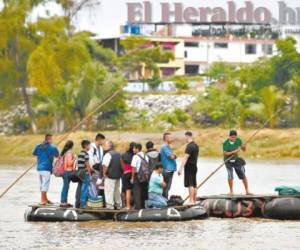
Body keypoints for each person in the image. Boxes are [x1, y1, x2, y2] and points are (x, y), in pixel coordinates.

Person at [33, 134, 59, 205]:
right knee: (45, 184)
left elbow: (34, 153)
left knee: (41, 184)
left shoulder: (38, 146)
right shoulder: (53, 147)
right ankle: (43, 200)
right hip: (46, 168)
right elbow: (57, 155)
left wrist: (41, 153)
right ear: (49, 139)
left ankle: (45, 199)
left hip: (39, 168)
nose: (52, 140)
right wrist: (54, 148)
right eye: (51, 139)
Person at [223, 130, 251, 195]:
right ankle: (231, 191)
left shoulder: (238, 140)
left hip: (236, 159)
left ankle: (247, 191)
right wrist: (234, 152)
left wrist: (244, 146)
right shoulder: (225, 143)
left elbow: (244, 150)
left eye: (234, 137)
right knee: (230, 175)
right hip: (228, 161)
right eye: (232, 137)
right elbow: (226, 153)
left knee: (242, 174)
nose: (233, 139)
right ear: (229, 137)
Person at [178, 131, 199, 205]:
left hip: (189, 167)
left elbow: (185, 158)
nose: (185, 138)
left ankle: (191, 200)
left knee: (190, 184)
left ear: (187, 136)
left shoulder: (189, 146)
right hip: (195, 166)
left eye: (185, 137)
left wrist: (180, 168)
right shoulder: (196, 145)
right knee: (194, 184)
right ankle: (194, 200)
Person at [103, 141, 123, 210]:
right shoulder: (118, 154)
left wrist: (104, 174)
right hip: (118, 176)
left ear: (109, 146)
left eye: (105, 145)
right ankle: (118, 205)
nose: (104, 147)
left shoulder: (108, 154)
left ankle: (110, 206)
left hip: (110, 176)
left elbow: (105, 165)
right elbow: (122, 165)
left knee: (109, 191)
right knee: (117, 191)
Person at [75, 140, 93, 209]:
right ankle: (83, 204)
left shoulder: (80, 153)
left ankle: (80, 203)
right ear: (86, 146)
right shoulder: (86, 154)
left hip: (80, 173)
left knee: (82, 188)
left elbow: (79, 164)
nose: (90, 147)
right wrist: (90, 174)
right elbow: (87, 164)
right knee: (85, 188)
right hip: (85, 173)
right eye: (89, 145)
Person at [131, 143, 149, 209]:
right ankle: (143, 206)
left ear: (137, 149)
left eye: (134, 148)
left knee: (137, 191)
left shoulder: (135, 157)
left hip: (137, 176)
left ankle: (138, 207)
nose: (133, 149)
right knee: (143, 191)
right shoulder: (145, 156)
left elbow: (133, 168)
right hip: (145, 176)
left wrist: (132, 178)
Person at [160, 132, 177, 199]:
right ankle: (165, 202)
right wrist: (175, 156)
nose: (172, 139)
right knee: (166, 188)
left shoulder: (167, 147)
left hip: (169, 170)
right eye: (170, 137)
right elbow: (171, 157)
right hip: (167, 170)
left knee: (167, 188)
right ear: (166, 138)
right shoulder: (164, 147)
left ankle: (165, 200)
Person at [88, 133, 105, 199]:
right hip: (94, 169)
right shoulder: (92, 147)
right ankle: (93, 200)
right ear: (99, 140)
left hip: (99, 168)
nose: (103, 142)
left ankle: (97, 200)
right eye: (102, 140)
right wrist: (91, 170)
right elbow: (90, 158)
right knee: (93, 185)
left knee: (98, 186)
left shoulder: (100, 148)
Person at [60, 140, 76, 208]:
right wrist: (75, 158)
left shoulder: (65, 152)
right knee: (66, 187)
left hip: (64, 172)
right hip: (67, 172)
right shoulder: (69, 153)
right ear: (72, 146)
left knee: (65, 187)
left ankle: (64, 201)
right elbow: (69, 163)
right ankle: (63, 202)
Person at [121, 142, 135, 209]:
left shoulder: (124, 154)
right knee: (134, 190)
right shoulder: (135, 155)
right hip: (133, 174)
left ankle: (127, 206)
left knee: (127, 191)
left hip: (126, 173)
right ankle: (133, 205)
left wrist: (124, 170)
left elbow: (122, 163)